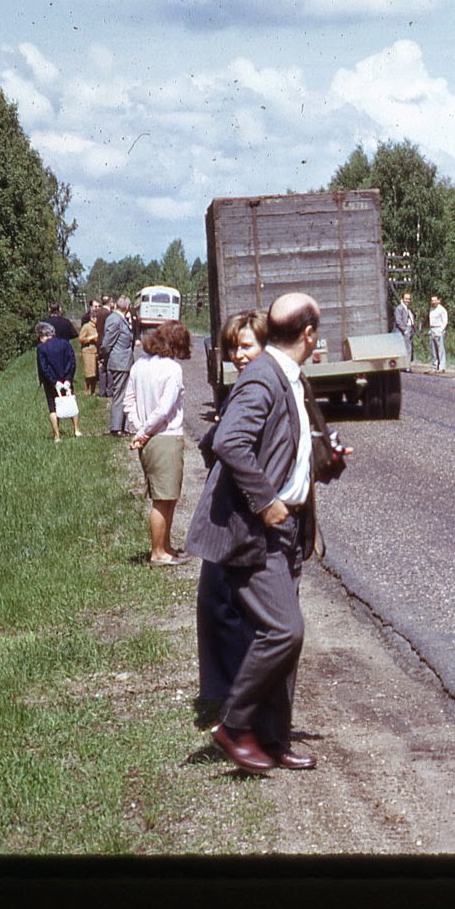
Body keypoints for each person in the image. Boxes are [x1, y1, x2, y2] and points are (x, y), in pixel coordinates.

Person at [185, 292, 323, 773]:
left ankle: (274, 739)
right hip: (256, 531)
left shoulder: (289, 377)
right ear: (309, 335)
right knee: (284, 629)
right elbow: (228, 442)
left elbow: (290, 450)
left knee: (285, 637)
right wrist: (265, 501)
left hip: (289, 528)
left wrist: (324, 467)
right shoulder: (263, 377)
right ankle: (234, 725)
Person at [194, 309, 269, 728]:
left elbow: (228, 446)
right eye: (234, 347)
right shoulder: (246, 386)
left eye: (247, 346)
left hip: (241, 513)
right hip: (231, 509)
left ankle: (238, 702)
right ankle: (229, 695)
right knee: (218, 601)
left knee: (228, 602)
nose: (239, 355)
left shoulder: (258, 388)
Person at [125, 321, 191, 566]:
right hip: (165, 437)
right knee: (163, 499)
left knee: (168, 495)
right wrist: (144, 431)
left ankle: (166, 545)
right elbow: (165, 408)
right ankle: (158, 553)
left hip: (149, 439)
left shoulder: (139, 365)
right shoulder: (172, 369)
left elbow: (128, 402)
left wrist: (139, 429)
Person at [35, 322, 79, 441]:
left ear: (44, 335)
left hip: (51, 382)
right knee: (71, 401)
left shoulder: (41, 348)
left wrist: (54, 382)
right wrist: (68, 379)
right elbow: (72, 362)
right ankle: (76, 429)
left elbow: (44, 367)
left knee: (53, 408)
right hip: (66, 379)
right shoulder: (65, 343)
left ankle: (57, 436)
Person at [101, 295, 135, 434]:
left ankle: (123, 427)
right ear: (127, 307)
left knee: (125, 395)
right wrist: (105, 358)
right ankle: (116, 428)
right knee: (120, 394)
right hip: (119, 363)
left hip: (123, 362)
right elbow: (107, 343)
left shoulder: (119, 318)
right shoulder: (115, 319)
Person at [78, 311, 100, 396]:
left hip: (95, 351)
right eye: (96, 318)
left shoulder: (97, 327)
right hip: (87, 352)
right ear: (92, 318)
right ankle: (86, 391)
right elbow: (80, 339)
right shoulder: (86, 326)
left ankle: (93, 391)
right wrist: (90, 338)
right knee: (88, 373)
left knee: (94, 373)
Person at [393, 291, 416, 369]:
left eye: (409, 299)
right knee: (407, 349)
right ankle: (406, 367)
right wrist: (405, 330)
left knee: (408, 349)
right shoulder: (399, 308)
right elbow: (398, 321)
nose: (408, 300)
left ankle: (405, 365)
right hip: (402, 332)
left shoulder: (408, 308)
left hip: (409, 330)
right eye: (406, 299)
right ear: (402, 299)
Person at [427, 294, 449, 373]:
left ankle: (442, 367)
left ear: (438, 301)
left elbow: (445, 321)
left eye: (435, 300)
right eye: (432, 300)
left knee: (440, 349)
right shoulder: (431, 309)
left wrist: (440, 331)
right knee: (433, 350)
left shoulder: (442, 310)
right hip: (432, 329)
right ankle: (434, 366)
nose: (433, 302)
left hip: (439, 330)